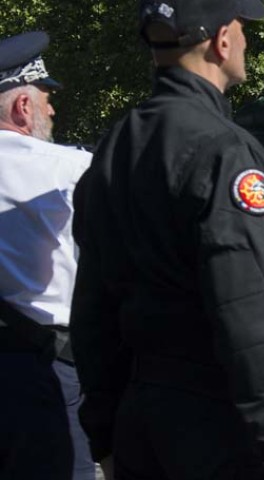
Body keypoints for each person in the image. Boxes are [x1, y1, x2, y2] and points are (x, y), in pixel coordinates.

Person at [69, 2, 264, 479]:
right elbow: (256, 322)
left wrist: (104, 432)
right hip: (218, 430)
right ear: (222, 40)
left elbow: (92, 317)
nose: (246, 39)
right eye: (243, 27)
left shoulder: (113, 150)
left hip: (140, 424)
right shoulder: (226, 152)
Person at [0, 31, 96, 480]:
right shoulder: (69, 168)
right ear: (23, 107)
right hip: (45, 369)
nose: (51, 108)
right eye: (45, 98)